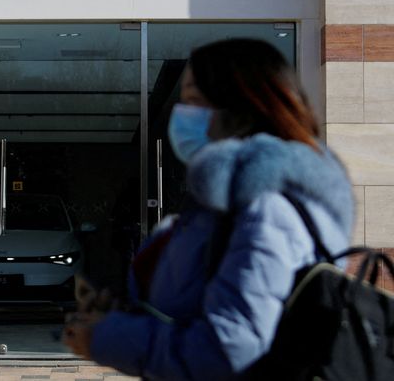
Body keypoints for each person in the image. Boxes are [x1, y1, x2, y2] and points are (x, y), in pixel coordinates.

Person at [63, 38, 355, 380]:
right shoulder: (226, 206)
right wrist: (121, 317)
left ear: (240, 108)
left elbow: (229, 349)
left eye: (193, 101)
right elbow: (198, 313)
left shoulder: (266, 210)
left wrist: (105, 338)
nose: (182, 114)